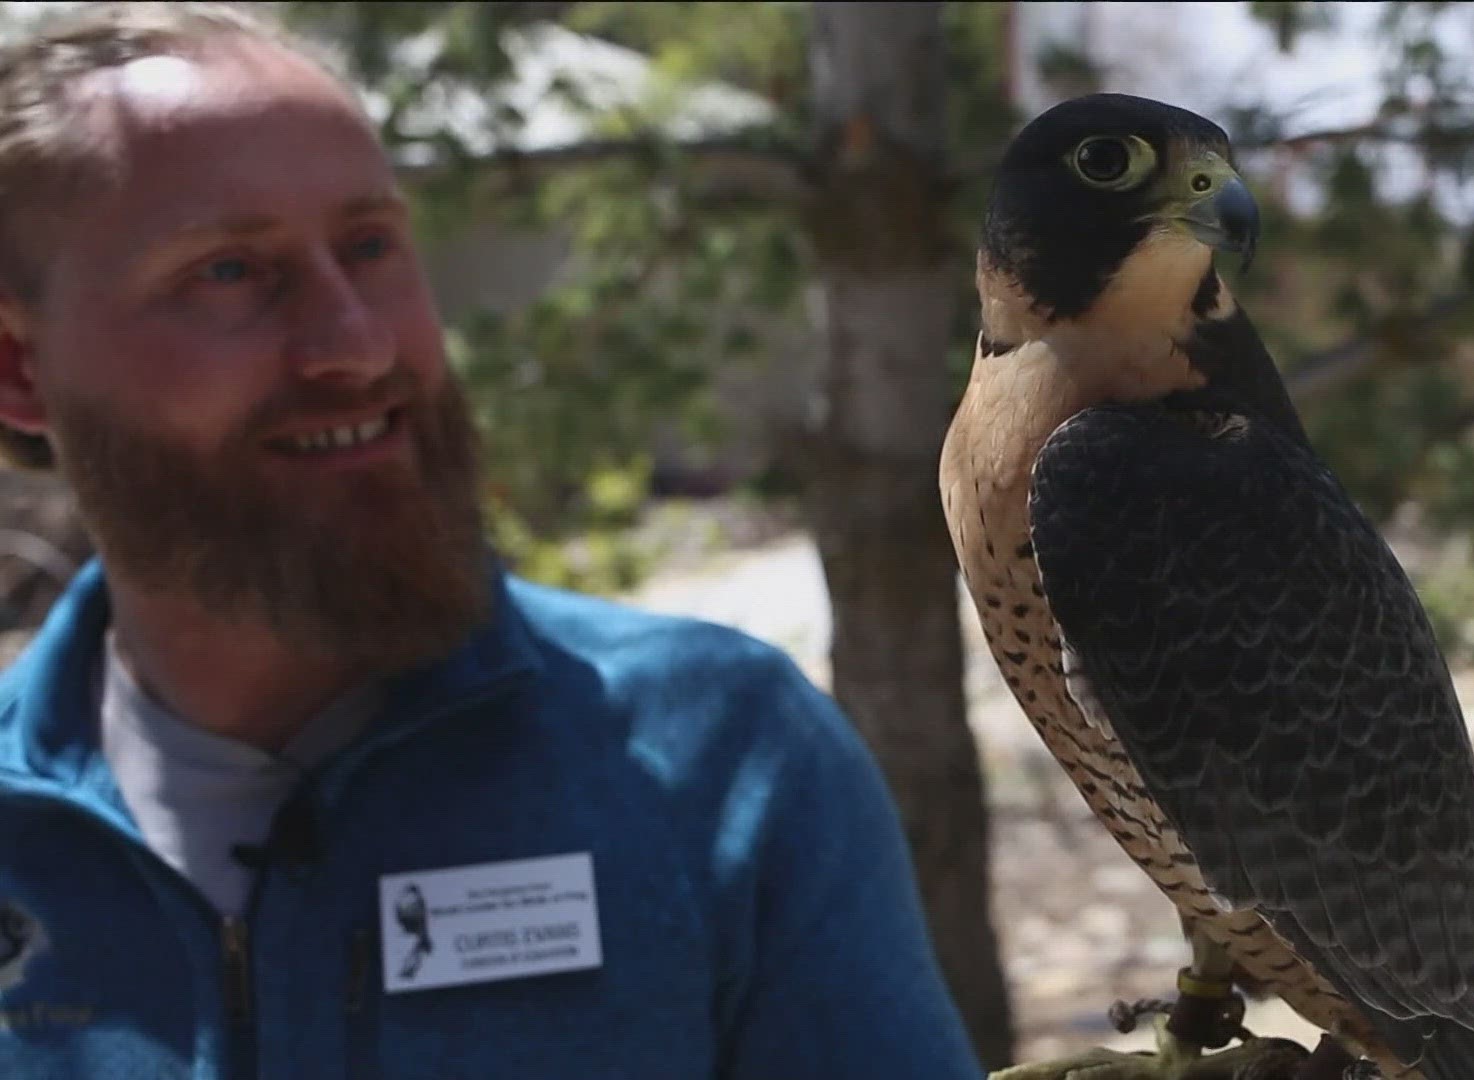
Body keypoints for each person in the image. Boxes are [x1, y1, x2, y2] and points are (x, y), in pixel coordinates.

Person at [0, 4, 985, 1077]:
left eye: (370, 245)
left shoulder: (715, 762)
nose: (358, 346)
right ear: (18, 369)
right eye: (228, 271)